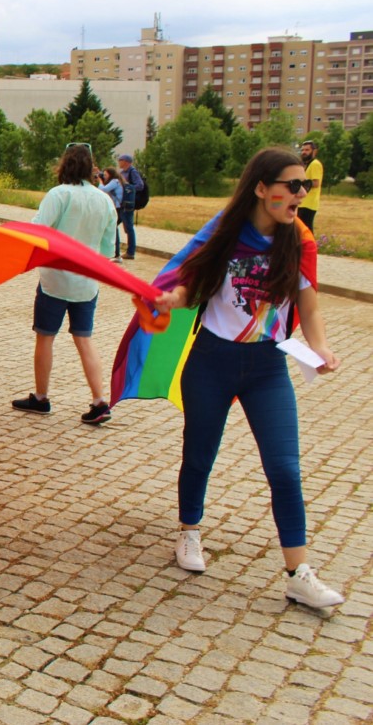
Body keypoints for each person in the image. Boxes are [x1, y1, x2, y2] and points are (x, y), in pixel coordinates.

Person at [153, 147, 343, 609]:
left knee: (285, 468)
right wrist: (169, 301)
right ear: (262, 188)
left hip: (267, 367)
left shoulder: (299, 241)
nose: (302, 193)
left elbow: (310, 307)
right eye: (292, 185)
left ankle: (298, 572)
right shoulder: (224, 232)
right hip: (211, 360)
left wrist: (320, 346)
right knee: (200, 452)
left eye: (306, 185)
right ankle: (189, 530)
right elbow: (189, 285)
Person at [11, 143, 117, 423]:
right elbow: (108, 250)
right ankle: (99, 400)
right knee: (85, 339)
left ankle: (41, 397)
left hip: (54, 281)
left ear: (64, 164)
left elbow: (37, 230)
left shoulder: (58, 195)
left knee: (45, 338)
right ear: (91, 166)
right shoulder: (104, 200)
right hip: (87, 284)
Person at [117, 153, 146, 259]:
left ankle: (130, 252)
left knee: (129, 227)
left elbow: (140, 185)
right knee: (115, 225)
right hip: (121, 203)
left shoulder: (132, 172)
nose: (119, 162)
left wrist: (127, 186)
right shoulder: (122, 173)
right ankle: (116, 250)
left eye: (121, 160)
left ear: (126, 162)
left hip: (128, 203)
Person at [98, 166, 125, 262]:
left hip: (117, 208)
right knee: (113, 230)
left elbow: (103, 190)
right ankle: (115, 253)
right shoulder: (114, 181)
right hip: (115, 208)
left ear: (110, 174)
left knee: (113, 230)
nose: (104, 177)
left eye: (105, 175)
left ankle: (116, 254)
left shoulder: (115, 181)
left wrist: (100, 182)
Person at [297, 140, 322, 231]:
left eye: (307, 150)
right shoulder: (307, 164)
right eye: (302, 150)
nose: (304, 152)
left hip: (309, 203)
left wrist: (300, 183)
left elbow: (316, 183)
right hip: (303, 202)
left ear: (314, 151)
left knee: (306, 228)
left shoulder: (315, 164)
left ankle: (310, 245)